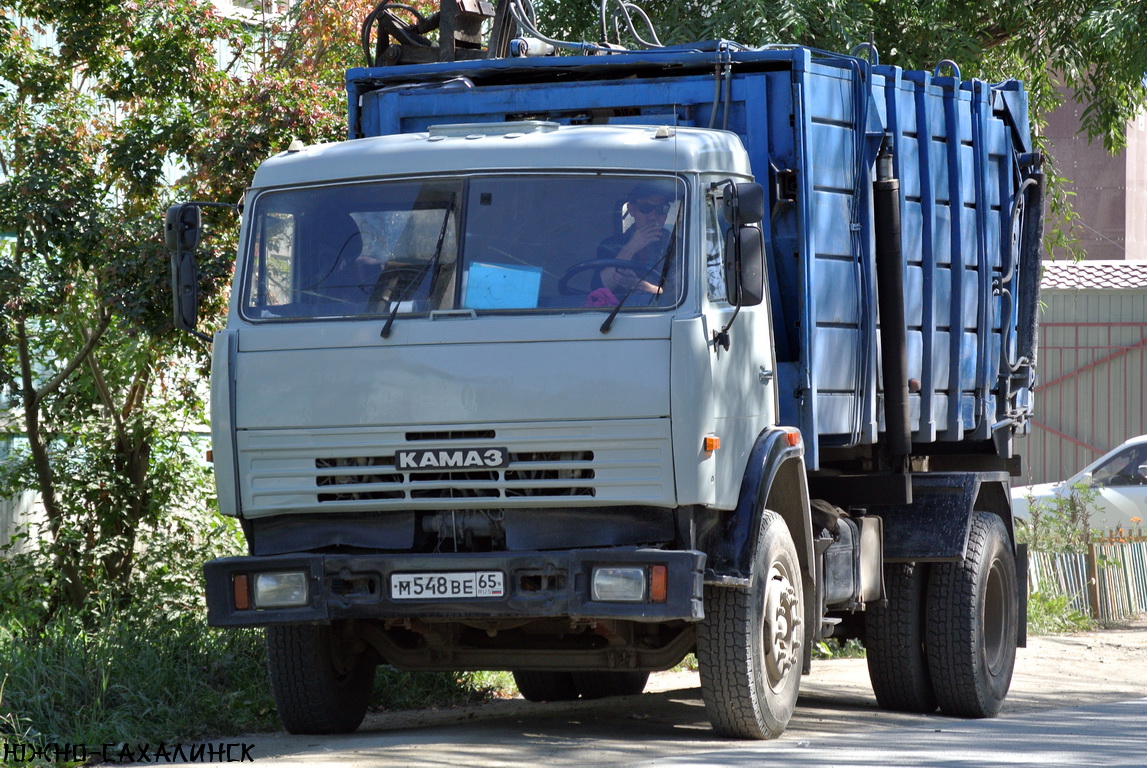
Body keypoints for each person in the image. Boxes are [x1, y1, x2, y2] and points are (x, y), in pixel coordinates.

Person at [586, 182, 676, 307]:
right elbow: (599, 290)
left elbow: (679, 294)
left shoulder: (677, 246)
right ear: (632, 209)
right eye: (646, 208)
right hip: (617, 315)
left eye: (662, 209)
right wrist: (630, 248)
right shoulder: (610, 245)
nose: (654, 216)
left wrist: (640, 285)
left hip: (662, 313)